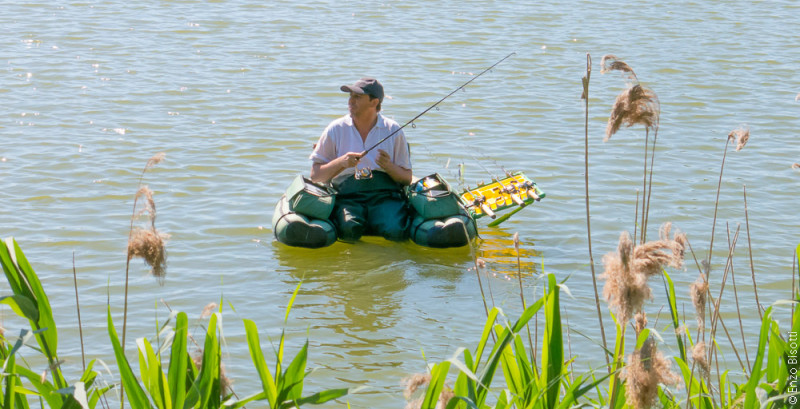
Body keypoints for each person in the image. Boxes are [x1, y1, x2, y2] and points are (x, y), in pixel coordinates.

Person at [309, 77, 412, 242]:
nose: (350, 101)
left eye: (357, 97)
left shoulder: (393, 130)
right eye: (350, 96)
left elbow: (407, 178)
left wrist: (388, 166)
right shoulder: (335, 129)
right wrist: (341, 162)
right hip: (347, 196)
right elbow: (315, 175)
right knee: (348, 228)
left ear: (374, 102)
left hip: (384, 196)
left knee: (395, 229)